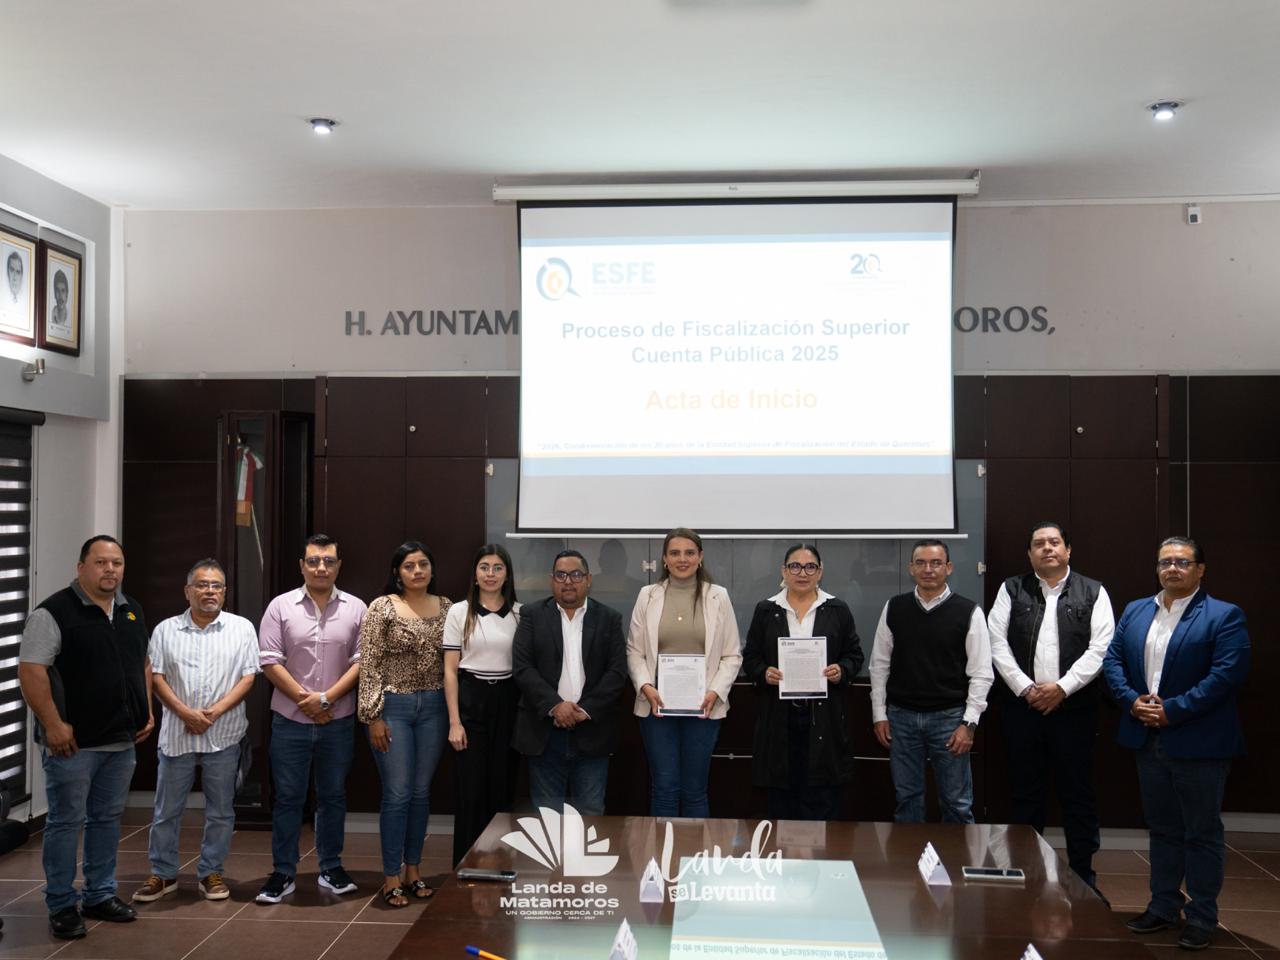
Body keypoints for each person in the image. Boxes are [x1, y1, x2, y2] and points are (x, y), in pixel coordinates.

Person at [1103, 537, 1250, 952]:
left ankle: (1202, 916)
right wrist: (1132, 701)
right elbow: (1112, 661)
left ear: (1200, 570)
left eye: (1183, 562)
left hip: (1199, 741)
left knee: (1201, 832)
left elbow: (1226, 675)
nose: (1172, 568)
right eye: (1165, 562)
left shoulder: (1224, 615)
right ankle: (1163, 906)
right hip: (1147, 737)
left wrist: (1174, 710)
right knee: (1163, 829)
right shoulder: (1136, 611)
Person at [17, 535, 154, 940]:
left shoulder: (130, 609)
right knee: (65, 822)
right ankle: (61, 904)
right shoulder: (54, 612)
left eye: (117, 563)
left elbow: (143, 663)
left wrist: (145, 710)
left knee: (107, 820)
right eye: (100, 562)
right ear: (81, 568)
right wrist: (54, 724)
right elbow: (31, 671)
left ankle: (99, 895)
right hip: (73, 744)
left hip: (120, 741)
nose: (110, 570)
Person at [987, 522, 1114, 894]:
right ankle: (1025, 877)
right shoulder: (1012, 589)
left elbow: (1101, 648)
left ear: (1068, 549)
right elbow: (996, 643)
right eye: (1039, 544)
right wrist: (1027, 689)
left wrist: (1062, 688)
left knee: (1078, 795)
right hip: (1022, 710)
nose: (1047, 548)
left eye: (1054, 542)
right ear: (1029, 554)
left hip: (1075, 710)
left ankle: (1083, 880)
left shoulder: (1094, 591)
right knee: (1025, 795)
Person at [134, 559, 260, 905]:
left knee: (221, 811)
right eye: (202, 585)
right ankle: (163, 873)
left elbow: (249, 677)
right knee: (166, 811)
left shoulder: (241, 628)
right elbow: (156, 676)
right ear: (187, 591)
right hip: (177, 735)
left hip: (224, 734)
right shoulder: (166, 630)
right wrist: (185, 713)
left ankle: (211, 872)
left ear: (225, 592)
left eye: (216, 585)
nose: (209, 591)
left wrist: (214, 713)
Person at [256, 534, 365, 904]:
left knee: (332, 796)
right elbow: (269, 660)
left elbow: (362, 661)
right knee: (288, 798)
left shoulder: (356, 608)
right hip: (290, 721)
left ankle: (331, 867)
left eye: (329, 561)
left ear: (338, 566)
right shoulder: (280, 606)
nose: (321, 567)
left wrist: (326, 699)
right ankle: (283, 871)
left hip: (338, 720)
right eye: (314, 561)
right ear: (302, 566)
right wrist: (306, 702)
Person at [869, 539, 992, 823]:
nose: (928, 569)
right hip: (901, 719)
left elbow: (981, 673)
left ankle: (958, 853)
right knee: (907, 799)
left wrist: (969, 724)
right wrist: (879, 715)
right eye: (921, 563)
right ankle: (910, 854)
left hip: (949, 720)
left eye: (936, 563)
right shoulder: (894, 607)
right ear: (910, 568)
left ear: (948, 568)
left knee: (957, 803)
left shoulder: (968, 611)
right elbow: (879, 665)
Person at [357, 541, 451, 907]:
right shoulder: (382, 607)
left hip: (434, 707)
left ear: (432, 569)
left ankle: (413, 871)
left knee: (420, 793)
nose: (417, 571)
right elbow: (370, 663)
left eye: (423, 564)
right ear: (398, 572)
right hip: (393, 707)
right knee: (397, 793)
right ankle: (391, 877)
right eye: (409, 565)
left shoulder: (447, 607)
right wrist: (373, 716)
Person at [742, 543, 864, 820]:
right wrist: (763, 672)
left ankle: (820, 848)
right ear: (784, 571)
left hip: (822, 717)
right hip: (779, 717)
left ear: (820, 572)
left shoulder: (836, 609)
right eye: (795, 566)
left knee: (821, 798)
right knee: (782, 799)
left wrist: (841, 670)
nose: (802, 573)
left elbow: (854, 655)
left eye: (810, 567)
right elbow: (751, 657)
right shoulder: (766, 610)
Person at [626, 528, 742, 818]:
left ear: (700, 557)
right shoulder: (647, 595)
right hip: (657, 706)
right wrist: (645, 687)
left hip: (703, 707)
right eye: (675, 553)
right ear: (664, 559)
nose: (682, 559)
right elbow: (635, 651)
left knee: (695, 790)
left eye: (690, 553)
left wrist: (715, 691)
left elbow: (732, 654)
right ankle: (663, 849)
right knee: (664, 788)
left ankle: (694, 850)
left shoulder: (718, 596)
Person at [512, 550, 627, 815]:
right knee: (547, 816)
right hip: (544, 732)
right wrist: (556, 706)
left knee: (590, 813)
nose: (568, 581)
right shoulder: (532, 615)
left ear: (588, 579)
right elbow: (523, 668)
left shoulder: (609, 618)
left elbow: (617, 672)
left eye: (576, 575)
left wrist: (584, 710)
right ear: (551, 579)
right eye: (561, 575)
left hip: (592, 730)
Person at [444, 544, 521, 865]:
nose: (491, 574)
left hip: (508, 701)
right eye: (484, 567)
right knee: (471, 790)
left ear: (507, 575)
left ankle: (500, 864)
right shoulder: (459, 612)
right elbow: (450, 670)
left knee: (502, 788)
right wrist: (455, 722)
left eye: (498, 568)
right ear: (475, 574)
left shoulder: (520, 613)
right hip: (471, 699)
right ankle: (466, 867)